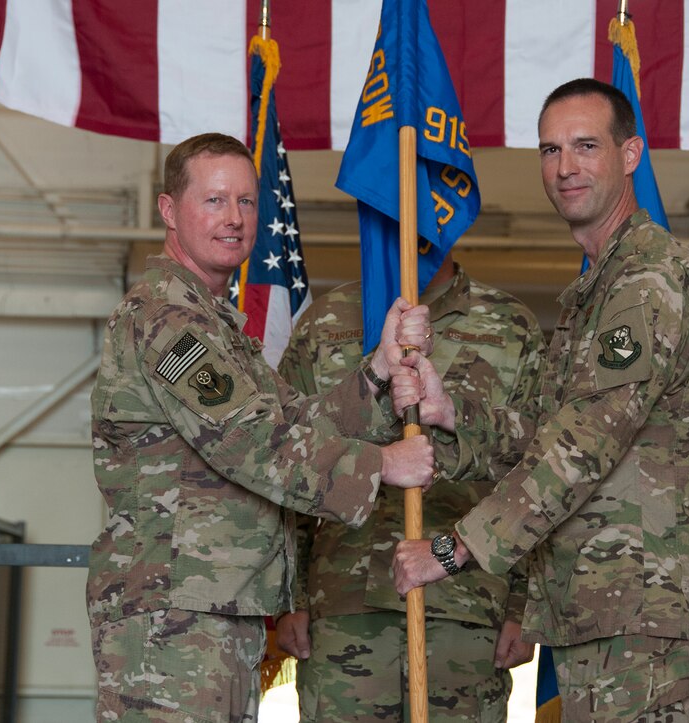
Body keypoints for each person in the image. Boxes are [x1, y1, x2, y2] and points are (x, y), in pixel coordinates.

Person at [391, 78, 689, 722]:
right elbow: (542, 430)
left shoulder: (650, 278)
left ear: (630, 155)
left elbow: (584, 442)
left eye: (585, 146)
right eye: (550, 150)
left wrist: (452, 549)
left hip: (641, 612)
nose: (566, 167)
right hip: (595, 609)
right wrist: (449, 412)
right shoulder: (593, 293)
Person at [87, 132, 437, 723]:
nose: (234, 219)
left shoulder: (216, 324)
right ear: (170, 210)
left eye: (247, 202)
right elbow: (251, 444)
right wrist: (381, 465)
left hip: (214, 604)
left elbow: (297, 421)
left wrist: (377, 372)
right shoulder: (167, 317)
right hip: (173, 615)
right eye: (214, 201)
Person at [273, 251, 547, 722]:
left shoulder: (511, 325)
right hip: (342, 606)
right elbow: (290, 458)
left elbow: (536, 470)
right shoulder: (324, 323)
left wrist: (524, 605)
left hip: (468, 605)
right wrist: (289, 600)